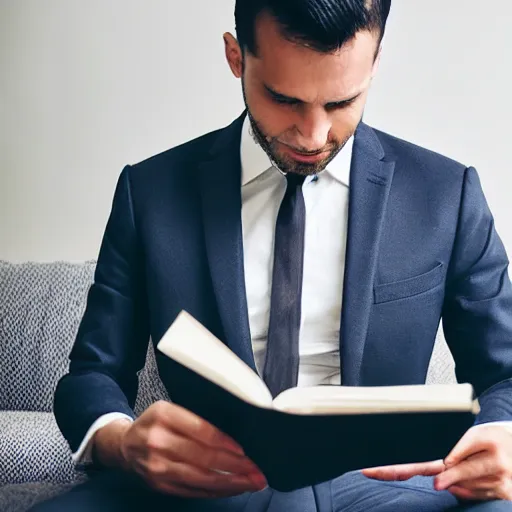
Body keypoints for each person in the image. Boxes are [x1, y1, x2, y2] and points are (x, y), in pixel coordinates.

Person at [31, 1, 512, 511]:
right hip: (206, 487)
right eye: (284, 99)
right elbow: (92, 375)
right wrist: (122, 442)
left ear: (375, 63)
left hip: (393, 489)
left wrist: (503, 434)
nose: (313, 135)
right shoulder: (148, 193)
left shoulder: (447, 194)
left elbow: (504, 372)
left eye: (341, 102)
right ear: (236, 57)